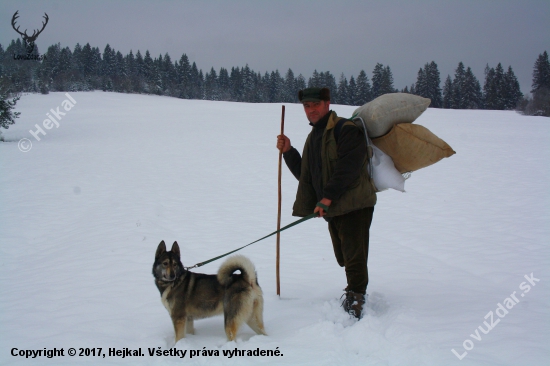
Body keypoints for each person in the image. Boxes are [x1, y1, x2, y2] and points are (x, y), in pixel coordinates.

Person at [276, 87, 376, 319]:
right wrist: (289, 151)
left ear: (327, 103)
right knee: (343, 256)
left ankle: (357, 296)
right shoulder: (314, 137)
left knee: (354, 254)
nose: (311, 110)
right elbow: (306, 175)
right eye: (306, 106)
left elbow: (348, 169)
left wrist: (326, 197)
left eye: (315, 105)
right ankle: (353, 287)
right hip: (334, 207)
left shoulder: (346, 130)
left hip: (355, 204)